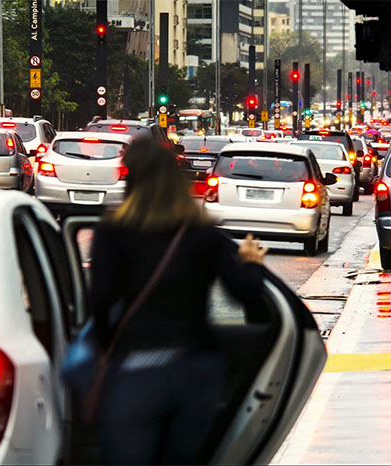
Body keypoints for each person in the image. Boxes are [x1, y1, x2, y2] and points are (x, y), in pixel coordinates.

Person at [90, 138, 267, 465]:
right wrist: (251, 263)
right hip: (195, 370)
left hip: (137, 368)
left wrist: (105, 351)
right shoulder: (202, 233)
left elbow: (100, 299)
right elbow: (247, 294)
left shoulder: (114, 233)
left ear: (131, 179)